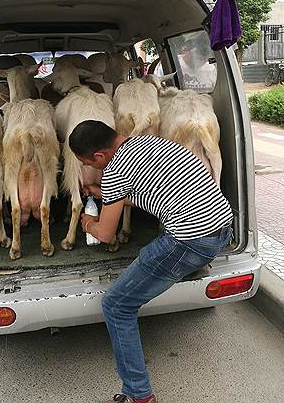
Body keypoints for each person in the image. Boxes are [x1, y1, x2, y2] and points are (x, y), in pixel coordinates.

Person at [69, 120, 233, 403]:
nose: (92, 170)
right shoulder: (151, 143)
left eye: (88, 164)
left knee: (116, 305)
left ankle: (138, 395)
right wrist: (103, 196)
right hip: (221, 231)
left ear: (99, 156)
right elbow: (150, 190)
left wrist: (87, 223)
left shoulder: (114, 170)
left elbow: (106, 234)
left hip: (188, 242)